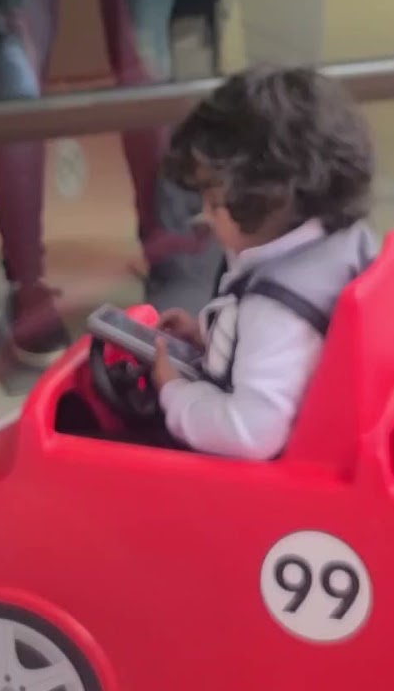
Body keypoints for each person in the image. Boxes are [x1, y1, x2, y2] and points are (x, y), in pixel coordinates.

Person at [151, 67, 375, 459]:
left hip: (266, 481)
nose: (205, 214)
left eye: (214, 202)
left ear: (270, 197)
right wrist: (212, 336)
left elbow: (251, 432)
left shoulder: (274, 308)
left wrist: (175, 393)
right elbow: (300, 356)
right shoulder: (342, 239)